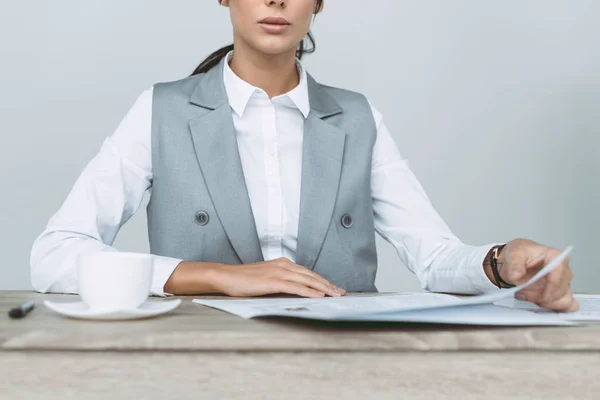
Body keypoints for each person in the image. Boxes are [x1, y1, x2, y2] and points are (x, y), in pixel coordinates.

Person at [30, 0, 578, 312]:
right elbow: (54, 255)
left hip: (345, 363)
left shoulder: (357, 117)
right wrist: (213, 275)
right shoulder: (162, 110)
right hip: (198, 356)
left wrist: (503, 261)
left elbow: (434, 258)